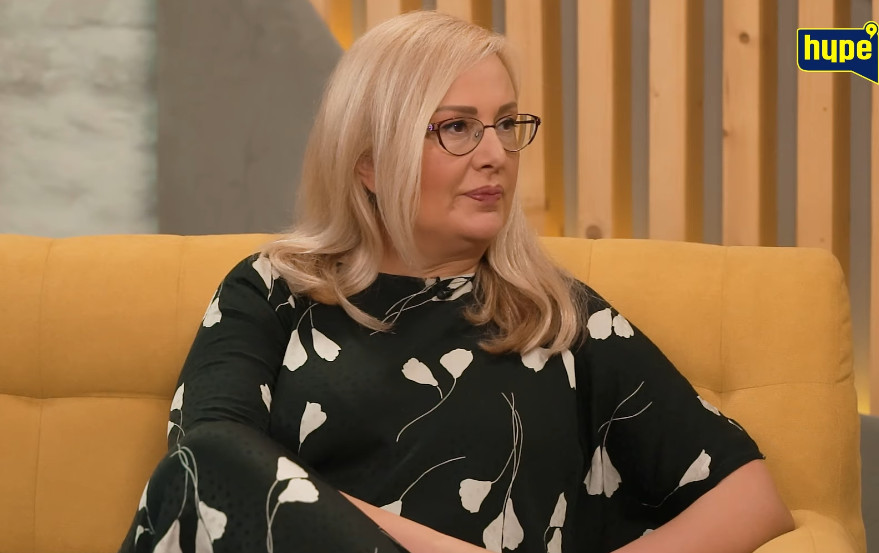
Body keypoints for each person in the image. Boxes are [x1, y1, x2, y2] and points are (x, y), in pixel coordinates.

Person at [119, 10, 794, 553]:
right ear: (369, 163)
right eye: (457, 128)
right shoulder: (272, 290)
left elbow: (749, 498)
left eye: (505, 124)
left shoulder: (557, 317)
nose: (496, 154)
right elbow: (209, 470)